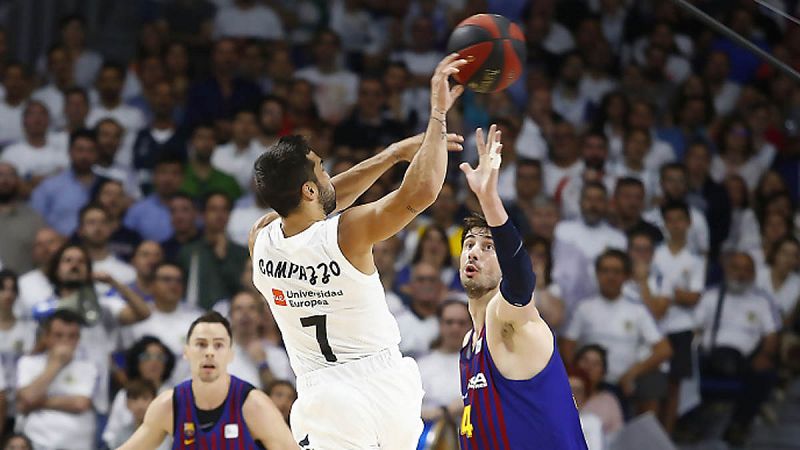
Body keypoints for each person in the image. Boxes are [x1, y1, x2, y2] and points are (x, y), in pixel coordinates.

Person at [248, 54, 466, 448]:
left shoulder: (260, 239)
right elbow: (422, 192)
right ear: (310, 189)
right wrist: (437, 115)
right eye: (322, 169)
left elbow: (323, 202)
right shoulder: (345, 234)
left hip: (321, 391)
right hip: (384, 387)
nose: (330, 175)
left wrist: (391, 155)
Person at [455, 124, 587, 449]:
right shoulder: (468, 342)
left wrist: (489, 200)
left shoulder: (506, 318)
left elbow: (521, 281)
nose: (474, 251)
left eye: (488, 247)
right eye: (469, 244)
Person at [117, 312, 296, 449]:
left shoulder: (254, 405)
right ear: (186, 352)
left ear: (230, 354)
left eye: (218, 345)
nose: (209, 352)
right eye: (201, 344)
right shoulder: (169, 405)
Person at [16, 310, 98, 450]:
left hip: (77, 445)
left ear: (78, 339)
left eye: (72, 336)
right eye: (58, 336)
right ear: (46, 337)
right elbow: (28, 398)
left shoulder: (89, 367)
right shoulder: (28, 362)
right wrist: (56, 364)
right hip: (36, 443)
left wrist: (36, 402)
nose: (65, 342)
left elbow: (80, 404)